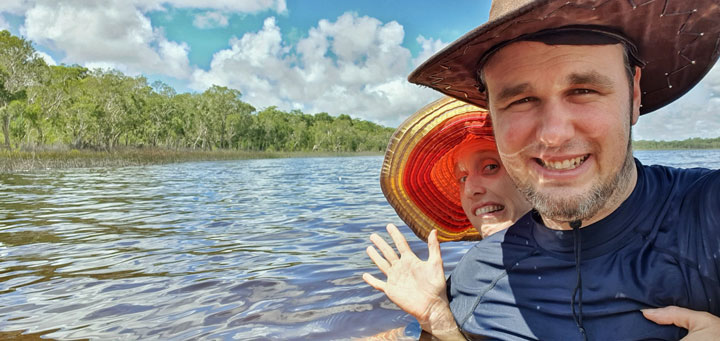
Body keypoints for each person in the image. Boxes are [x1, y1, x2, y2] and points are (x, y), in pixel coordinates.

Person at [392, 0, 720, 339]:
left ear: (633, 93)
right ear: (493, 115)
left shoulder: (709, 214)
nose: (554, 134)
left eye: (583, 90)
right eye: (520, 100)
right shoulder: (476, 281)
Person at [363, 97, 532, 338]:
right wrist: (436, 316)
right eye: (462, 178)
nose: (471, 188)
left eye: (490, 167)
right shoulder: (475, 274)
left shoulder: (575, 261)